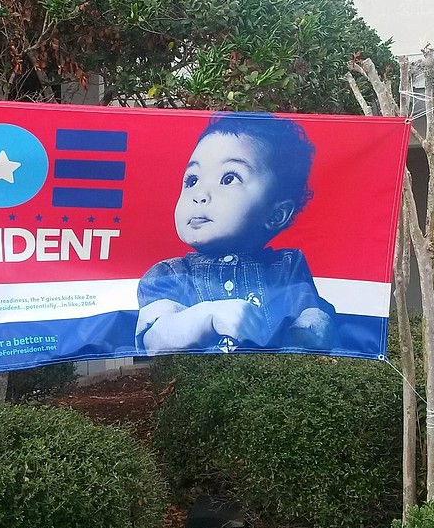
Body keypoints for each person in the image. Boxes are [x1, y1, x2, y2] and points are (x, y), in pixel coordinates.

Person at [136, 111, 339, 355]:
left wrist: (295, 335)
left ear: (276, 215)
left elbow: (316, 326)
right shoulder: (171, 273)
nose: (200, 194)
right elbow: (155, 340)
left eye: (229, 178)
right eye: (192, 180)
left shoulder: (286, 268)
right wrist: (206, 318)